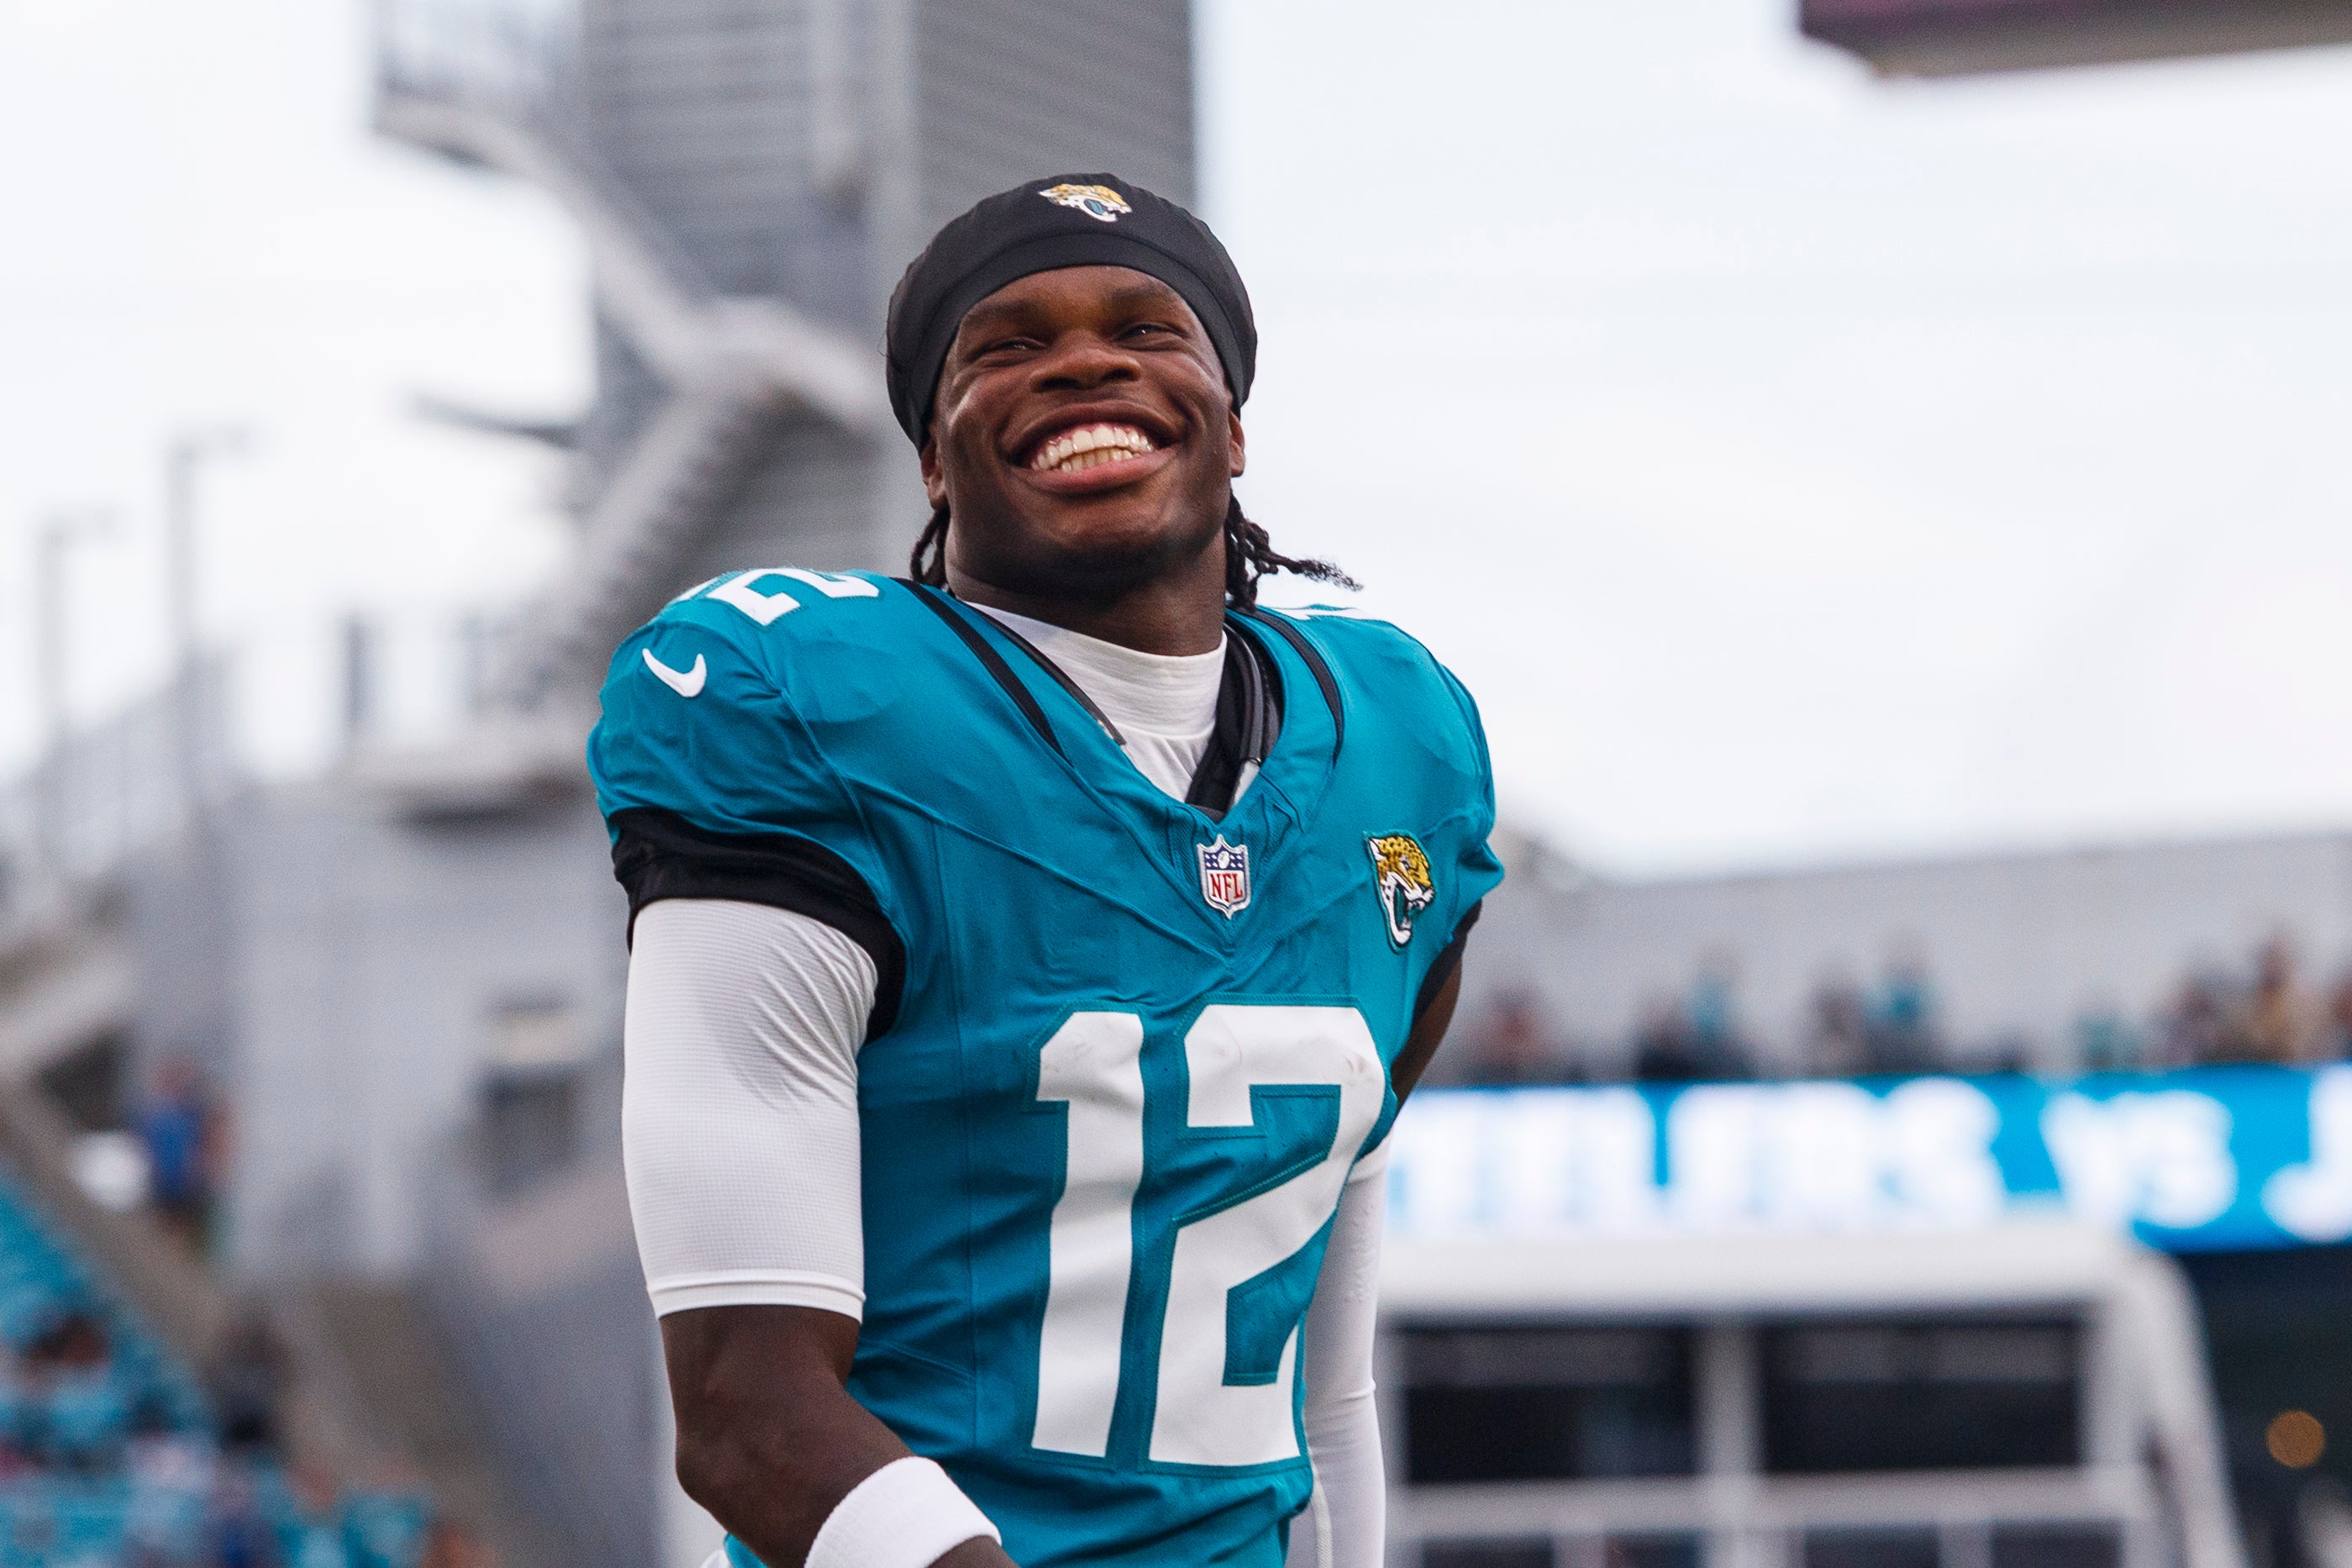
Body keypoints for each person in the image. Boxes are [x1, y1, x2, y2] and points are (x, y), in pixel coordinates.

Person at [589, 175, 1502, 1568]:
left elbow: (1319, 1393)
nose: (1086, 360)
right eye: (1004, 346)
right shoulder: (809, 712)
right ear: (935, 462)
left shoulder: (1398, 750)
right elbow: (743, 1412)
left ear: (1236, 424)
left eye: (1148, 329)